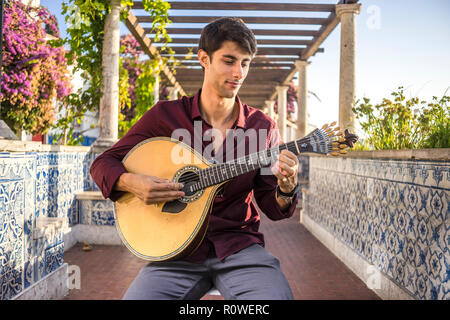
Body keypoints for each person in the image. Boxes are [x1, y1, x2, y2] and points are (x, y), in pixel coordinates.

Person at [90, 17, 300, 300]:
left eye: (245, 63)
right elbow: (103, 163)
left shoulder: (262, 128)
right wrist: (133, 183)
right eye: (229, 60)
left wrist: (286, 189)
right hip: (176, 253)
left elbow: (272, 207)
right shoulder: (165, 116)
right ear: (204, 58)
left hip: (239, 247)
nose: (238, 72)